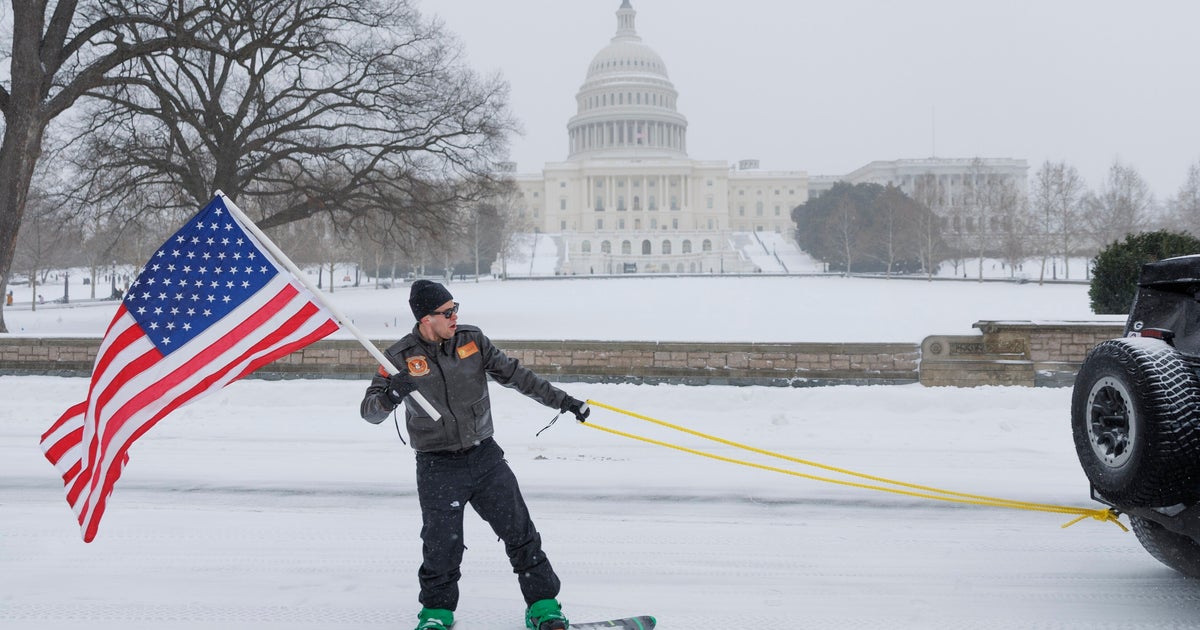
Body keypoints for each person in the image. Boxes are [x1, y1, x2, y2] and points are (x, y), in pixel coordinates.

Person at [360, 280, 591, 630]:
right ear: (426, 318)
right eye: (447, 312)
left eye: (456, 309)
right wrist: (391, 395)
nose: (455, 316)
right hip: (438, 466)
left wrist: (564, 400)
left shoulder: (472, 340)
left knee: (520, 533)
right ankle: (436, 613)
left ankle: (544, 607)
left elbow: (517, 375)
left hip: (485, 458)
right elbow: (369, 412)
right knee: (441, 547)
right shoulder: (398, 358)